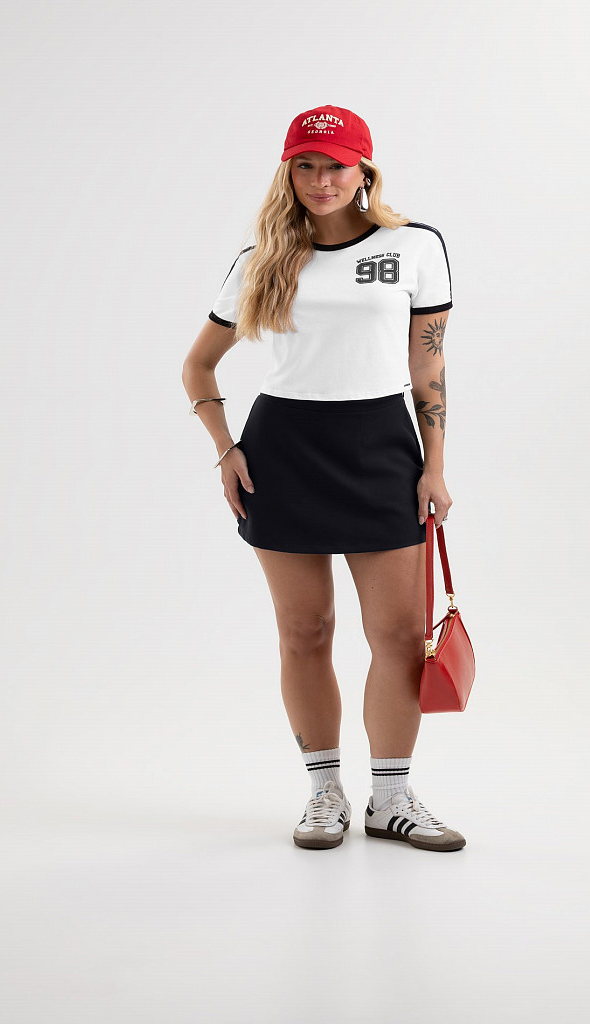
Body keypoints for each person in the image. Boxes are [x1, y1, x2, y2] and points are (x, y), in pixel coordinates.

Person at [181, 104, 465, 852]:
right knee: (305, 632)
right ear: (288, 172)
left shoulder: (415, 246)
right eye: (304, 166)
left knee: (399, 635)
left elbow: (428, 365)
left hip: (381, 449)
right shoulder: (261, 260)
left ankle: (391, 798)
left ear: (363, 169)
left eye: (335, 165)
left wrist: (435, 465)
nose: (320, 180)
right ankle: (324, 792)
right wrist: (225, 447)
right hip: (284, 452)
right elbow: (198, 364)